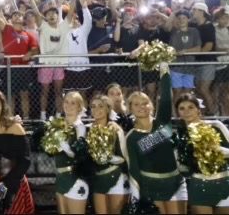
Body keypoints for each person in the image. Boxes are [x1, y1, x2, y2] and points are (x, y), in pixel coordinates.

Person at [125, 62, 187, 214]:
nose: (142, 107)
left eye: (145, 103)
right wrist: (136, 197)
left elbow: (166, 97)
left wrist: (164, 69)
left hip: (175, 182)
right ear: (130, 109)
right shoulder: (131, 137)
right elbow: (134, 170)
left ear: (151, 105)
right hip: (150, 184)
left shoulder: (162, 122)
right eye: (136, 104)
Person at [0, 90, 35, 214]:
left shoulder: (15, 127)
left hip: (13, 180)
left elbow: (25, 160)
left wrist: (4, 186)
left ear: (3, 107)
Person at [175, 93, 229, 214]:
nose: (186, 111)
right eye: (182, 108)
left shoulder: (216, 125)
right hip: (198, 186)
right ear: (178, 112)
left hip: (224, 184)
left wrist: (217, 150)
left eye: (191, 107)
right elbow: (182, 167)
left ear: (198, 110)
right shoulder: (179, 134)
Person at [47, 91, 88, 214]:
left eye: (73, 103)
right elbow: (50, 152)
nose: (68, 105)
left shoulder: (80, 127)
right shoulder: (58, 125)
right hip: (60, 178)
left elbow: (77, 154)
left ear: (79, 107)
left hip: (75, 178)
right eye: (66, 102)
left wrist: (63, 145)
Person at [87, 95, 128, 214]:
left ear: (108, 109)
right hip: (97, 179)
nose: (96, 109)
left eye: (101, 106)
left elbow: (124, 158)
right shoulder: (87, 130)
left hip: (117, 177)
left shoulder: (115, 129)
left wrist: (109, 157)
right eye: (93, 106)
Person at [191, 3, 216, 115]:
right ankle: (204, 112)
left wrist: (193, 52)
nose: (193, 12)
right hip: (196, 62)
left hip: (207, 61)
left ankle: (212, 113)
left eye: (195, 10)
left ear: (202, 11)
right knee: (198, 89)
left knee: (204, 89)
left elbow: (209, 46)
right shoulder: (194, 26)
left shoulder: (209, 26)